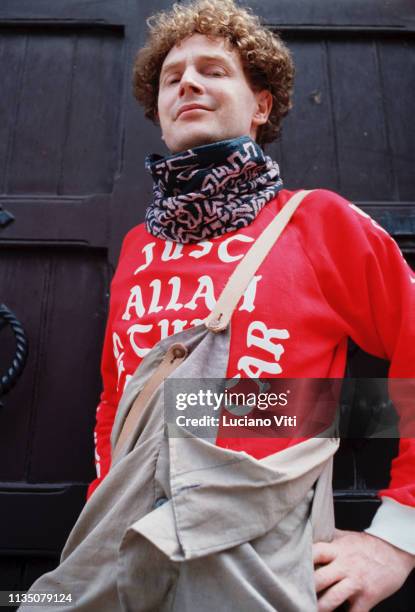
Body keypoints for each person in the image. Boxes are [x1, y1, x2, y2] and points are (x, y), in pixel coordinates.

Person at [22, 1, 414, 610]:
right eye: (172, 77)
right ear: (159, 112)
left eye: (214, 69)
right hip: (118, 557)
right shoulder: (137, 246)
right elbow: (116, 397)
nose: (189, 83)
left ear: (260, 105)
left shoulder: (319, 221)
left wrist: (398, 537)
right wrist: (106, 501)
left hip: (255, 563)